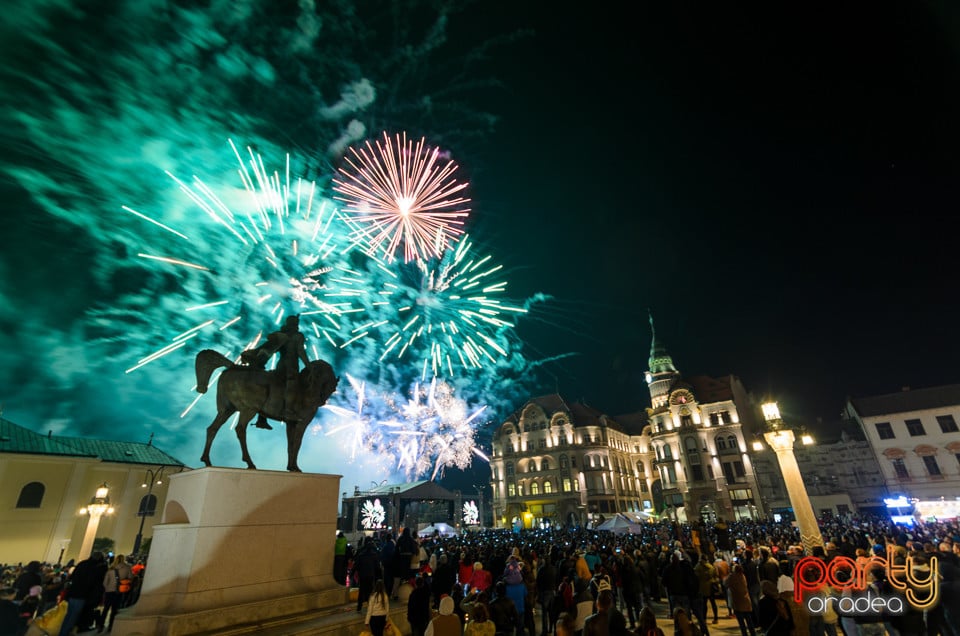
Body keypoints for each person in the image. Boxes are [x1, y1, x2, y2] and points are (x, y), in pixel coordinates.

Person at [241, 313, 310, 427]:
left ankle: (262, 418)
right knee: (293, 384)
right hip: (291, 367)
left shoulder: (281, 335)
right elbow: (301, 352)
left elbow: (271, 348)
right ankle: (288, 410)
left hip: (280, 365)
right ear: (295, 324)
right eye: (296, 323)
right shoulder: (298, 336)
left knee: (270, 384)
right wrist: (309, 366)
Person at [59, 551, 107, 636]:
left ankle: (62, 632)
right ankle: (65, 633)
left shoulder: (82, 564)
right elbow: (95, 583)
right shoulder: (96, 568)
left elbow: (72, 577)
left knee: (68, 615)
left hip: (73, 593)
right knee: (73, 617)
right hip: (82, 595)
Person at [98, 554, 133, 633]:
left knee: (106, 609)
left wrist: (107, 589)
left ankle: (101, 625)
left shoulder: (111, 569)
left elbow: (104, 582)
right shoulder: (127, 568)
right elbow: (130, 577)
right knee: (114, 609)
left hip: (109, 591)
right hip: (119, 591)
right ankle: (111, 626)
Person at [724, 564, 756, 636]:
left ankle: (745, 634)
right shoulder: (743, 576)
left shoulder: (732, 577)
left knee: (741, 622)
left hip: (737, 602)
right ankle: (753, 634)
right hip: (746, 601)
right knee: (749, 620)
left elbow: (725, 584)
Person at [356, 537, 382, 613]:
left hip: (363, 575)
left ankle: (359, 607)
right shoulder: (374, 553)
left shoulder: (361, 552)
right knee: (371, 590)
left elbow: (357, 564)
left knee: (362, 590)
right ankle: (370, 605)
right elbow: (377, 566)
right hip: (371, 574)